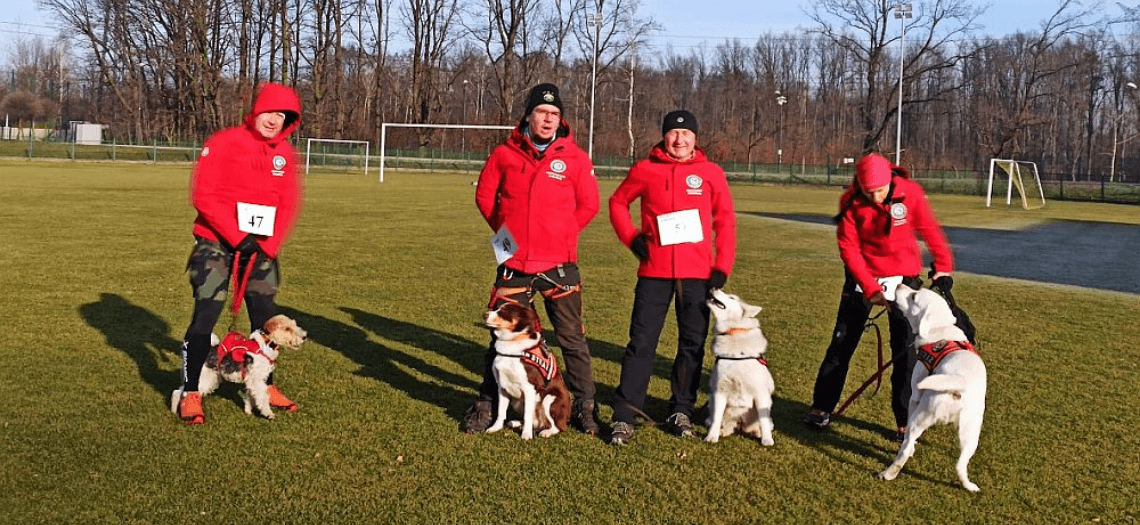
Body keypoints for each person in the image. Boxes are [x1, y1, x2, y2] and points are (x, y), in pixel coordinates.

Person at [466, 83, 602, 436]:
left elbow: (589, 205)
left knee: (572, 338)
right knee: (497, 335)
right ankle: (485, 406)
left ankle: (585, 406)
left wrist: (564, 235)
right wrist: (506, 234)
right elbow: (485, 195)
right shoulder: (505, 153)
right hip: (516, 264)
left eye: (554, 114)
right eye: (542, 113)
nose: (548, 120)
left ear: (561, 119)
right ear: (528, 115)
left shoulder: (575, 157)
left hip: (560, 265)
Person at [174, 82, 304, 424]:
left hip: (260, 248)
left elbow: (287, 204)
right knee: (206, 315)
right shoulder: (222, 142)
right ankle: (190, 392)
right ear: (255, 109)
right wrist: (236, 234)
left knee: (266, 318)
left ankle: (266, 384)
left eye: (282, 115)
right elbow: (204, 195)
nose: (274, 120)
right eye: (269, 111)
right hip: (216, 241)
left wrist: (267, 245)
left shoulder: (286, 155)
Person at [607, 110, 737, 444]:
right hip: (654, 271)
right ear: (664, 136)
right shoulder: (645, 170)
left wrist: (722, 265)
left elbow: (725, 221)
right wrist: (632, 237)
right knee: (641, 344)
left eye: (686, 134)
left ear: (696, 138)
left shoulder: (710, 173)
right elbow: (618, 202)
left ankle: (681, 409)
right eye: (673, 134)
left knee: (692, 345)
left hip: (697, 275)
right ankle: (625, 413)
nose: (679, 140)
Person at [804, 153, 953, 441]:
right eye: (868, 191)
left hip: (905, 283)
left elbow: (929, 229)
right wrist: (869, 287)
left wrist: (943, 265)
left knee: (906, 354)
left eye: (881, 191)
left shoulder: (911, 193)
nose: (875, 197)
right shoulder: (850, 201)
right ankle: (821, 408)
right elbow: (849, 249)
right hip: (864, 280)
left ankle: (905, 420)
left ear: (890, 182)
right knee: (841, 345)